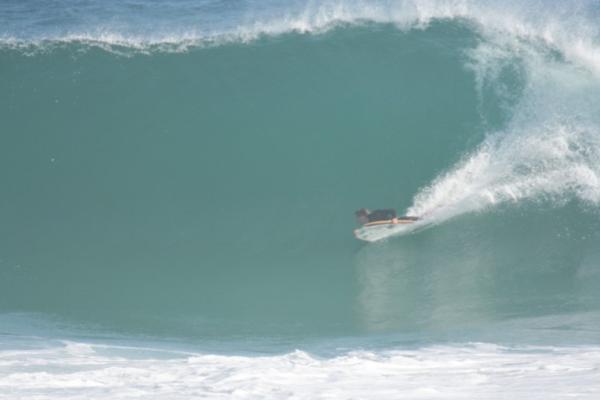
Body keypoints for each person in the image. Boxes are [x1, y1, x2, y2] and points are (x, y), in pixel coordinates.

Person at [355, 208, 419, 225]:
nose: (358, 219)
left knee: (420, 219)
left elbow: (392, 210)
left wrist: (394, 218)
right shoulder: (368, 222)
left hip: (399, 221)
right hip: (390, 224)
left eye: (359, 216)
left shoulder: (375, 213)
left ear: (364, 215)